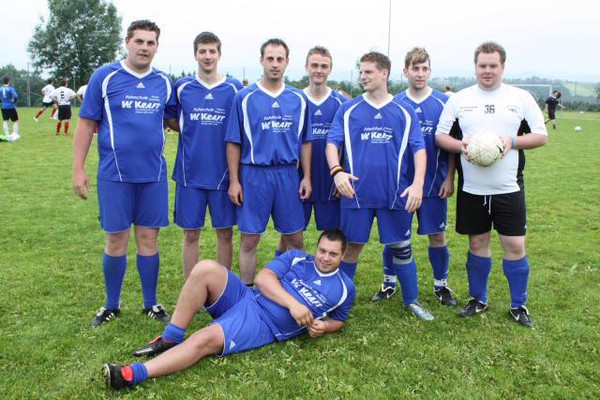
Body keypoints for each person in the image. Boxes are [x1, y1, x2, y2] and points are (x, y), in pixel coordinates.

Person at [102, 229, 355, 390]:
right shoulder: (297, 258)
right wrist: (293, 304)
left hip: (263, 324)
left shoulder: (344, 289)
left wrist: (324, 327)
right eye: (322, 250)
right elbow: (263, 279)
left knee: (203, 338)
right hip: (249, 297)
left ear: (342, 256)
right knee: (205, 268)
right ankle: (171, 337)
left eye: (333, 254)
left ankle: (131, 374)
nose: (325, 257)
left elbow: (339, 320)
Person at [72, 20, 178, 327]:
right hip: (114, 175)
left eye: (150, 42)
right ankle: (111, 305)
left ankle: (150, 303)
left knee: (148, 239)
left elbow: (175, 121)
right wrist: (78, 169)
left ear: (157, 47)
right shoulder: (105, 77)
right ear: (127, 43)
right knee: (116, 240)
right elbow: (86, 124)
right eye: (139, 41)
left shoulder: (164, 82)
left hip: (153, 175)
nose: (144, 47)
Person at [435, 41, 548, 327]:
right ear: (475, 67)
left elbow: (540, 135)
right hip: (472, 188)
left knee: (514, 245)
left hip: (508, 188)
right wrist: (461, 145)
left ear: (502, 67)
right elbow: (440, 136)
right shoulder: (459, 99)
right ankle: (478, 299)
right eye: (482, 65)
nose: (487, 70)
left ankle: (518, 305)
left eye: (493, 65)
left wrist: (511, 141)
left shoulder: (520, 98)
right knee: (477, 243)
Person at [326, 52, 433, 320]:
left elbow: (419, 149)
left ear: (384, 73)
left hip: (395, 193)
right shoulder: (348, 109)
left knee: (401, 246)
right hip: (355, 193)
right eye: (361, 71)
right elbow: (332, 144)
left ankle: (412, 301)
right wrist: (337, 172)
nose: (362, 76)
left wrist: (418, 184)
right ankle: (338, 302)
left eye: (368, 72)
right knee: (351, 247)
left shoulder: (404, 110)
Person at [371, 48, 457, 307]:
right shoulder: (394, 102)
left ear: (430, 71)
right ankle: (389, 282)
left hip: (434, 185)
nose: (420, 74)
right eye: (415, 69)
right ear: (405, 71)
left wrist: (449, 178)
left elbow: (451, 144)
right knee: (395, 236)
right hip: (400, 186)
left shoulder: (443, 103)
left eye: (424, 69)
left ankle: (441, 285)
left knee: (437, 236)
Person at [225, 38, 312, 285]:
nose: (275, 64)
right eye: (270, 58)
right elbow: (233, 141)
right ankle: (247, 292)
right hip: (254, 174)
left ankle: (295, 288)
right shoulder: (244, 97)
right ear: (261, 60)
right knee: (249, 239)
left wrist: (306, 176)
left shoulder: (298, 98)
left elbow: (305, 141)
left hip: (288, 174)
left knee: (295, 238)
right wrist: (234, 181)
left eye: (279, 59)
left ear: (287, 62)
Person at [172, 32, 243, 279]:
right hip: (189, 174)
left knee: (225, 233)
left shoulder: (234, 87)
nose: (207, 56)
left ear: (219, 54)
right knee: (191, 234)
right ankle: (191, 288)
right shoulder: (182, 87)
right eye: (202, 51)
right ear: (195, 55)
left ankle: (224, 288)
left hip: (223, 174)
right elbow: (172, 120)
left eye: (212, 51)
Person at [275, 46, 347, 256]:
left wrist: (341, 173)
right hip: (297, 178)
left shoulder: (341, 103)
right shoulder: (293, 100)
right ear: (306, 66)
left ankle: (328, 271)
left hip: (329, 179)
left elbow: (348, 145)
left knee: (332, 233)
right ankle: (281, 269)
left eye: (324, 66)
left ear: (330, 69)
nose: (319, 70)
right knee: (290, 233)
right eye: (314, 65)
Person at [1, 77, 20, 141]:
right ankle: (15, 135)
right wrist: (13, 101)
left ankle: (7, 136)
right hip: (10, 106)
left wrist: (2, 102)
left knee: (5, 121)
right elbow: (16, 96)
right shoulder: (10, 88)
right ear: (9, 81)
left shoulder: (1, 88)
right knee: (16, 121)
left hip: (3, 107)